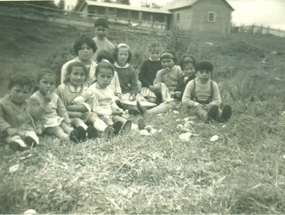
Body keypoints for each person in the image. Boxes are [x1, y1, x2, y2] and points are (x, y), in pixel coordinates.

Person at [74, 61, 132, 136]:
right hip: (99, 115)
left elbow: (112, 102)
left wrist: (116, 108)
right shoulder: (92, 90)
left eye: (109, 77)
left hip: (110, 113)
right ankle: (109, 130)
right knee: (107, 119)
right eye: (102, 76)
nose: (105, 79)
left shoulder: (109, 89)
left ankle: (131, 126)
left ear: (112, 77)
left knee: (117, 118)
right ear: (96, 76)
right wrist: (111, 112)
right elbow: (95, 108)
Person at [30, 69, 85, 142]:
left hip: (56, 119)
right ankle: (66, 137)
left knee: (64, 125)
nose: (48, 86)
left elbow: (62, 110)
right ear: (37, 84)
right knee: (57, 129)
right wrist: (45, 103)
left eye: (52, 83)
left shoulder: (55, 96)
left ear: (56, 86)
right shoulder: (34, 98)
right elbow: (36, 115)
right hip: (45, 123)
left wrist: (67, 121)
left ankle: (74, 133)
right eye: (45, 82)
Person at [56, 61, 99, 139]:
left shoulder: (86, 88)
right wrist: (73, 113)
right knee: (77, 121)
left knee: (93, 116)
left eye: (82, 75)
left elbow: (89, 104)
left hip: (84, 114)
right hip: (68, 116)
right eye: (75, 74)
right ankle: (86, 133)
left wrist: (72, 107)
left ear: (85, 76)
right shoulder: (61, 89)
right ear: (68, 75)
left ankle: (105, 129)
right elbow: (59, 108)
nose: (79, 77)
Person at [0, 74, 39, 150]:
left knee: (31, 133)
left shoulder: (28, 103)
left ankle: (32, 141)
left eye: (25, 92)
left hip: (25, 129)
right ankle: (18, 144)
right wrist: (7, 128)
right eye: (17, 91)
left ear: (29, 93)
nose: (20, 95)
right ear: (9, 89)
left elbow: (35, 116)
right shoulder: (2, 103)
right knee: (13, 137)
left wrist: (38, 126)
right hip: (10, 131)